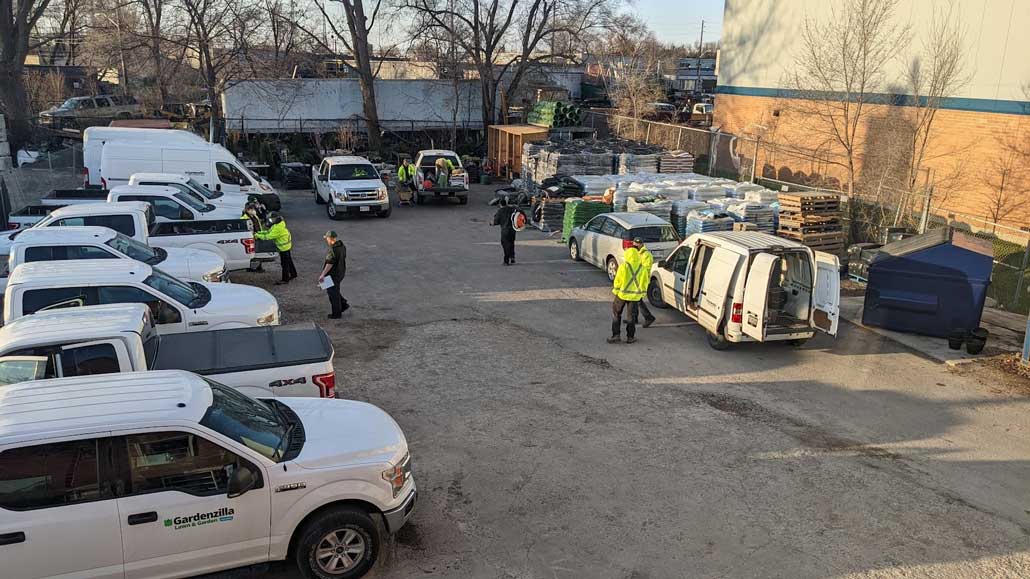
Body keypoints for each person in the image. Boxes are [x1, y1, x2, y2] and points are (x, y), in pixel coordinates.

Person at [608, 238, 652, 344]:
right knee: (631, 317)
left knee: (616, 314)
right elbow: (644, 283)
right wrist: (641, 294)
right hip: (634, 297)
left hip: (621, 295)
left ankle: (616, 335)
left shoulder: (624, 266)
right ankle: (630, 337)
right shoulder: (642, 268)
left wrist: (616, 291)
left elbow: (617, 281)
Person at [254, 212, 296, 285]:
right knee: (289, 261)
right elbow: (268, 232)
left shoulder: (278, 228)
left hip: (283, 247)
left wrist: (257, 235)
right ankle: (293, 274)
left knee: (284, 264)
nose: (270, 221)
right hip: (286, 246)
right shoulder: (278, 224)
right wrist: (259, 233)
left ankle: (285, 279)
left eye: (271, 219)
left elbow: (268, 237)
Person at [318, 230, 348, 319]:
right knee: (333, 291)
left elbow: (329, 264)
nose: (326, 240)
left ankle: (336, 314)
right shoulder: (342, 246)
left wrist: (322, 275)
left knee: (332, 294)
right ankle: (343, 304)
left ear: (329, 238)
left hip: (332, 275)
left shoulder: (332, 250)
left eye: (326, 238)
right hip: (340, 272)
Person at [491, 196, 518, 265]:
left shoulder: (500, 211)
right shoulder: (512, 209)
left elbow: (496, 221)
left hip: (505, 231)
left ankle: (506, 261)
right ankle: (512, 258)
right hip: (513, 230)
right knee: (511, 243)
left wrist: (492, 223)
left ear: (500, 204)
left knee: (505, 245)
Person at [241, 202, 266, 273]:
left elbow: (258, 224)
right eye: (251, 209)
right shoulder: (244, 218)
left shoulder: (255, 216)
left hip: (258, 235)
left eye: (253, 209)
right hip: (251, 237)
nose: (253, 210)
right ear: (247, 210)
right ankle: (251, 267)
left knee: (258, 253)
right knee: (252, 253)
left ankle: (258, 267)